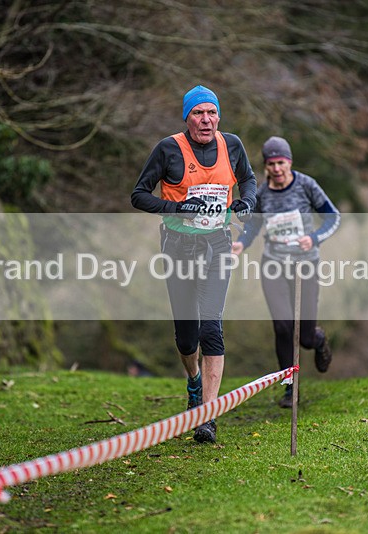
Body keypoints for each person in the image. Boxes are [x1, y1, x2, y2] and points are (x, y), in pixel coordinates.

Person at [131, 85, 257, 443]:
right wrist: (177, 208)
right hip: (178, 246)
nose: (206, 120)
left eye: (212, 112)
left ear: (219, 116)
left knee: (211, 328)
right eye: (199, 113)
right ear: (187, 117)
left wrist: (247, 201)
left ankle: (207, 415)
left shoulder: (232, 145)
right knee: (187, 338)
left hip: (217, 244)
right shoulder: (168, 149)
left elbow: (248, 179)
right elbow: (138, 195)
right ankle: (193, 382)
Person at [231, 136, 340, 408]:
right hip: (273, 264)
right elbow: (253, 226)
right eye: (271, 164)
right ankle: (290, 389)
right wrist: (241, 244)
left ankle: (318, 339)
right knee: (282, 328)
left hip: (305, 264)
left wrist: (313, 238)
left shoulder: (306, 186)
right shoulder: (262, 195)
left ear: (289, 162)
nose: (277, 168)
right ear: (266, 166)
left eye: (281, 162)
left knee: (303, 336)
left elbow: (332, 216)